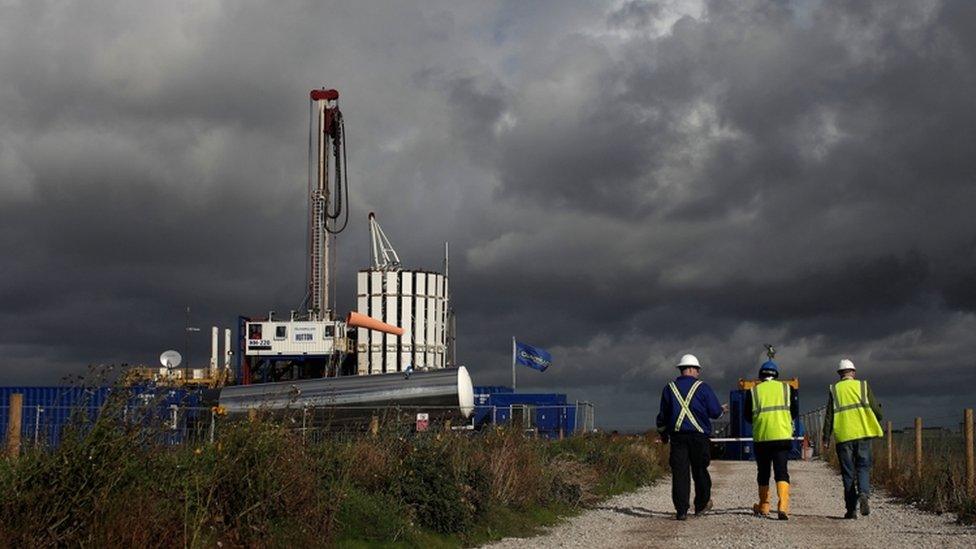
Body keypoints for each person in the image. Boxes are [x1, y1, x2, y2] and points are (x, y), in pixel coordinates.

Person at [656, 354, 726, 520]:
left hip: (678, 438)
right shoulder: (703, 387)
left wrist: (664, 435)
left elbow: (662, 417)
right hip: (699, 437)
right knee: (700, 470)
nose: (698, 373)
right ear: (692, 369)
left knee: (680, 474)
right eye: (698, 370)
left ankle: (681, 510)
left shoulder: (669, 388)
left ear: (681, 369)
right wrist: (722, 409)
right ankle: (701, 504)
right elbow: (715, 412)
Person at [822, 359, 883, 519]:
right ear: (853, 372)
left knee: (848, 473)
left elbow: (829, 415)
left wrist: (826, 437)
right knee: (863, 467)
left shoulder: (834, 389)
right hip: (862, 434)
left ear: (839, 374)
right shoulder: (862, 386)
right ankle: (864, 493)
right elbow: (876, 409)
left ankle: (851, 510)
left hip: (843, 437)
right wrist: (878, 417)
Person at [745, 359, 798, 520]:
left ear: (761, 376)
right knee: (781, 471)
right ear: (776, 375)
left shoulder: (753, 392)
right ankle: (783, 506)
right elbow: (794, 412)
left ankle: (764, 506)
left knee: (763, 472)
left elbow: (747, 416)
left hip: (762, 438)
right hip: (782, 436)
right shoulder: (787, 389)